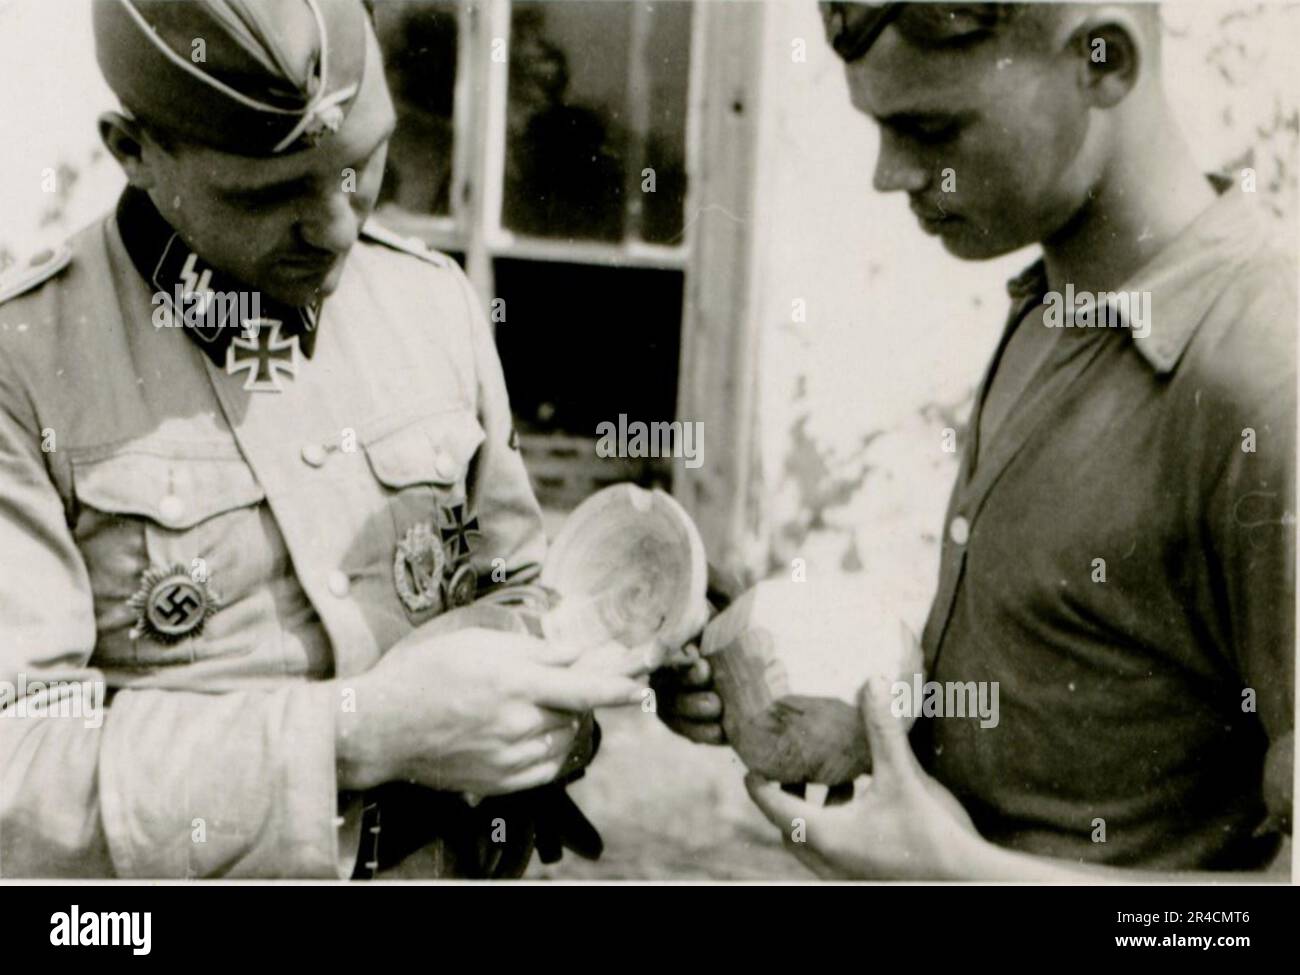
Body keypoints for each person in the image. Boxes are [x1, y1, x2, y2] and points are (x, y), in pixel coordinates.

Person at [0, 0, 644, 879]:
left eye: (364, 164)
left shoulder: (431, 304)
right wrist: (355, 736)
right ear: (133, 150)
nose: (337, 227)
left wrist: (557, 716)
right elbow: (19, 771)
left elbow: (525, 592)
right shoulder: (25, 364)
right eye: (269, 196)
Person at [665, 1, 1295, 878]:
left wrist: (957, 877)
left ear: (1102, 60)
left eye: (929, 126)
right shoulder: (1052, 306)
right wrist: (778, 669)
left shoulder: (1269, 376)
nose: (890, 173)